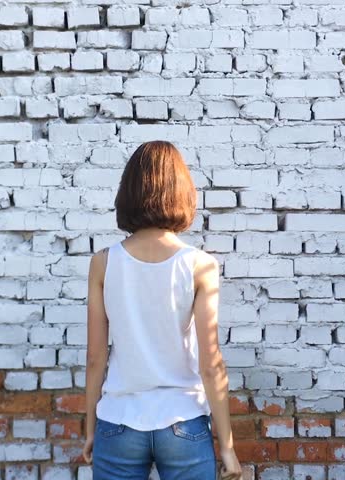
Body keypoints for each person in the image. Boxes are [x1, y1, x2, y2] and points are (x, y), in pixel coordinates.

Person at [82, 141, 243, 479]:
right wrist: (227, 447)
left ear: (128, 193)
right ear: (182, 193)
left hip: (119, 420)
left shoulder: (103, 263)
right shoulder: (200, 265)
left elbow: (95, 357)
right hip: (183, 421)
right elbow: (211, 364)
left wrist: (90, 428)